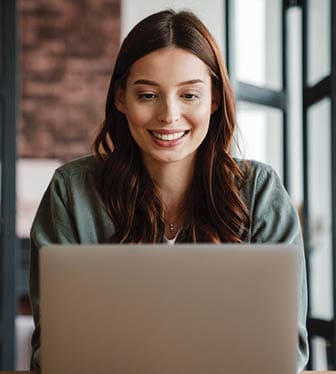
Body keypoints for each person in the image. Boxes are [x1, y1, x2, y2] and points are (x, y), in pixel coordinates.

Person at [29, 9, 309, 371]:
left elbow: (287, 350)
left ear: (214, 100)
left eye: (189, 95)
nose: (169, 115)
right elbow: (54, 352)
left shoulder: (260, 192)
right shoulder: (71, 192)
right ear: (120, 98)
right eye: (148, 95)